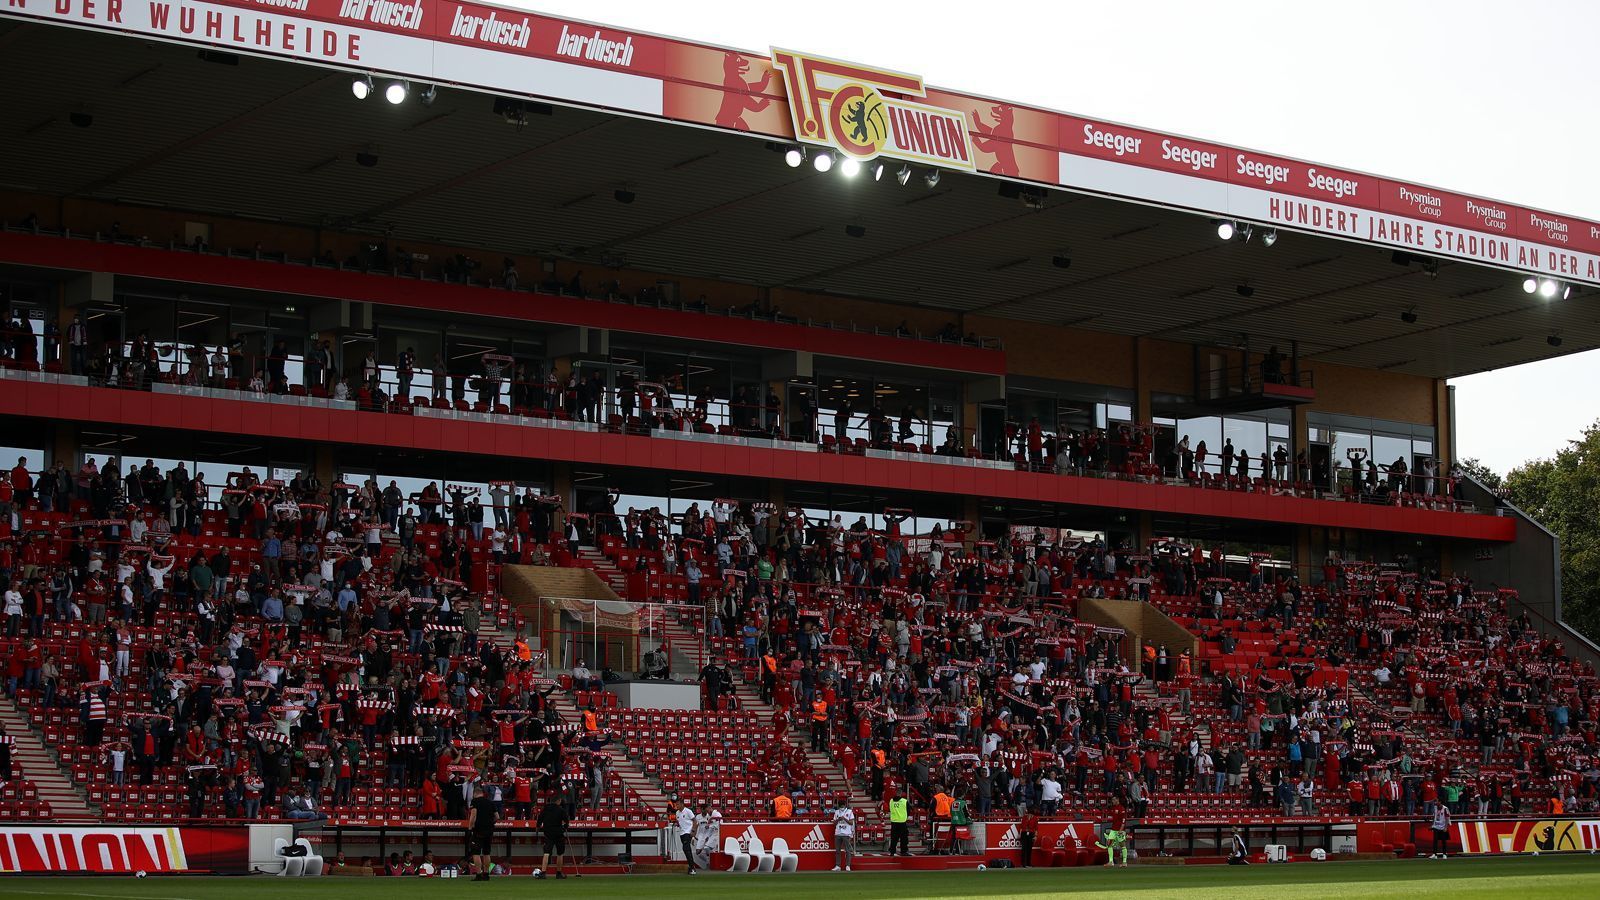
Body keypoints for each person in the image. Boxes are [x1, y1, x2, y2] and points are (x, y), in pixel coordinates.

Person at [465, 780, 498, 880]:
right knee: (487, 853)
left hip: (478, 830)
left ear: (475, 794)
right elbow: (497, 816)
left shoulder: (475, 802)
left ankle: (479, 874)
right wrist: (491, 823)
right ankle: (486, 874)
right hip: (489, 830)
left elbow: (473, 816)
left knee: (476, 852)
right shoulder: (490, 802)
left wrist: (469, 828)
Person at [535, 798, 570, 879]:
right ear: (558, 801)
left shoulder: (546, 808)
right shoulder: (561, 810)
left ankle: (543, 873)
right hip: (558, 833)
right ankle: (559, 873)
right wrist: (565, 827)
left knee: (546, 852)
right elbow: (566, 821)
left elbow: (539, 819)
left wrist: (537, 828)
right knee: (560, 853)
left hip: (548, 833)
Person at [831, 798, 856, 871]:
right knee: (837, 851)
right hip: (838, 833)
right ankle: (838, 866)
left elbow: (851, 822)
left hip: (846, 833)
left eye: (842, 806)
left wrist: (844, 819)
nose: (842, 807)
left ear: (845, 805)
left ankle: (847, 865)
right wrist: (838, 819)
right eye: (840, 806)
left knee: (847, 850)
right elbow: (834, 823)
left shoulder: (849, 812)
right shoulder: (836, 812)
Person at [676, 798, 699, 875]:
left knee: (686, 848)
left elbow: (695, 821)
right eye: (676, 805)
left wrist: (693, 831)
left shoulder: (688, 811)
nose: (677, 806)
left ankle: (692, 867)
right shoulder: (677, 813)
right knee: (687, 850)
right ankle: (691, 867)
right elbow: (680, 822)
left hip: (687, 832)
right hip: (682, 833)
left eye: (678, 804)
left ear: (682, 804)